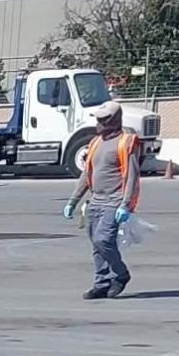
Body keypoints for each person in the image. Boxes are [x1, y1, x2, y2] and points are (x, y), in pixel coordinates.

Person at [63, 103, 144, 299]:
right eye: (98, 119)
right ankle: (101, 282)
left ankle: (121, 274)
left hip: (114, 201)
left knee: (103, 240)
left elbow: (132, 176)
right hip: (95, 201)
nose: (98, 123)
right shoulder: (95, 143)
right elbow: (86, 174)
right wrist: (73, 201)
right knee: (96, 244)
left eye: (103, 119)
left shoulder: (126, 143)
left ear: (114, 120)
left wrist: (125, 204)